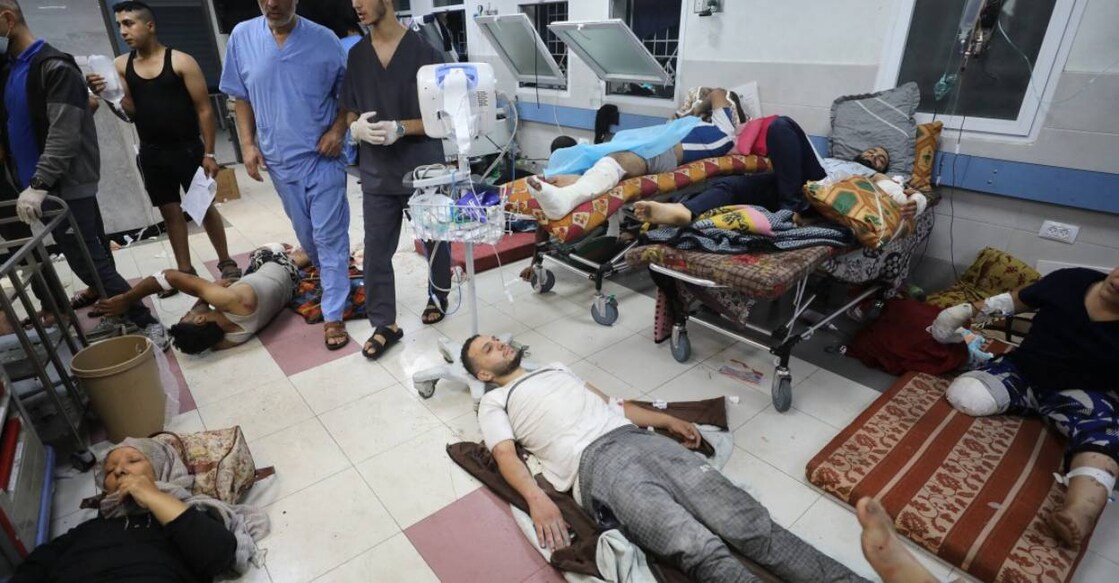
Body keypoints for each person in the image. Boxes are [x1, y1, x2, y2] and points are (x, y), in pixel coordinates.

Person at [460, 334, 867, 582]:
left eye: (496, 339)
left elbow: (614, 405)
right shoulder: (496, 401)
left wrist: (666, 421)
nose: (500, 344)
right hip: (597, 467)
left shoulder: (555, 368)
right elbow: (504, 454)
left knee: (749, 525)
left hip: (639, 440)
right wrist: (537, 499)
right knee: (696, 547)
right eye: (488, 349)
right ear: (483, 374)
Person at [0, 0, 168, 348]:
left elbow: (64, 132)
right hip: (41, 185)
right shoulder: (11, 68)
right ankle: (122, 313)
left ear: (7, 19)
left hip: (60, 185)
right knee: (94, 256)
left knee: (88, 261)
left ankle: (145, 320)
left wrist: (40, 183)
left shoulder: (52, 66)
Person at [930, 266, 1119, 549]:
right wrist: (963, 312)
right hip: (1023, 372)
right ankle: (1024, 403)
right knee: (965, 394)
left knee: (1105, 439)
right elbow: (1011, 302)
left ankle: (1080, 512)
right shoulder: (1071, 280)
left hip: (1080, 393)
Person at [219, 0, 351, 351]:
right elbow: (241, 97)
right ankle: (330, 277)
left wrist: (338, 130)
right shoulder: (242, 37)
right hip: (280, 161)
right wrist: (247, 145)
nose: (272, 4)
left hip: (323, 157)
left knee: (329, 235)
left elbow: (349, 95)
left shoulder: (325, 41)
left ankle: (334, 313)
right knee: (306, 234)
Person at [85, 1, 241, 297]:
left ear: (150, 25)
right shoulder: (121, 66)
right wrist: (106, 94)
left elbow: (204, 110)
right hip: (152, 152)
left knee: (204, 207)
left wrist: (209, 153)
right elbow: (128, 113)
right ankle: (184, 272)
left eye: (129, 23)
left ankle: (225, 260)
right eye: (120, 25)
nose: (124, 31)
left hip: (188, 149)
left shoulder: (181, 61)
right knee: (170, 213)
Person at [341, 0, 451, 360]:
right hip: (377, 171)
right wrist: (355, 127)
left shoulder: (426, 52)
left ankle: (438, 295)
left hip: (423, 167)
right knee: (375, 250)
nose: (356, 4)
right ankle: (384, 322)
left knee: (433, 239)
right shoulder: (357, 56)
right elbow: (350, 107)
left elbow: (442, 118)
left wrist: (401, 128)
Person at [11, 437, 268, 582]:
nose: (120, 470)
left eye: (133, 461)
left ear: (162, 469)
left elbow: (219, 554)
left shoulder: (188, 513)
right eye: (110, 471)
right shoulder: (87, 530)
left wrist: (152, 495)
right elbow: (35, 565)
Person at [526, 88, 741, 220]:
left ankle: (569, 195)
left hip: (666, 153)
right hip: (653, 144)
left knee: (620, 160)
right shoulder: (688, 126)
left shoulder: (725, 131)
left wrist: (697, 110)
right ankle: (577, 181)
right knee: (593, 153)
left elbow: (717, 93)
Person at [634, 140, 923, 227]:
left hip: (818, 189)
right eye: (872, 150)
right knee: (733, 185)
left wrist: (914, 201)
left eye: (881, 158)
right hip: (796, 179)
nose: (874, 155)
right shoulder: (831, 158)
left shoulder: (871, 175)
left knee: (782, 126)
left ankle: (791, 210)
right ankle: (685, 212)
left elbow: (898, 193)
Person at [95, 245, 305, 354]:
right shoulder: (227, 299)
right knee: (261, 252)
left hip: (290, 285)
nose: (187, 312)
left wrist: (205, 297)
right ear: (200, 320)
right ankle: (285, 248)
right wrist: (127, 298)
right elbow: (169, 276)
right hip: (281, 265)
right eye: (186, 316)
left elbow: (206, 341)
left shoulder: (230, 339)